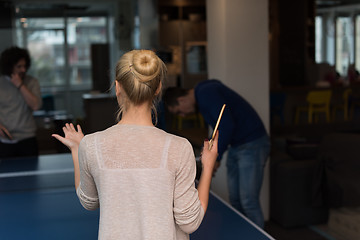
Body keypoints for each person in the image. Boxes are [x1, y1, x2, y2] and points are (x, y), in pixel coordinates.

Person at [52, 50, 218, 240]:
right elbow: (190, 222)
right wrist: (208, 166)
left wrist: (77, 149)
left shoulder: (91, 145)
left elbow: (88, 201)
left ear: (117, 87)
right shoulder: (179, 147)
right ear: (158, 88)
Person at [163, 79, 270, 228]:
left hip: (252, 144)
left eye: (179, 111)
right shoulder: (203, 94)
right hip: (237, 144)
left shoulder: (206, 93)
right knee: (236, 200)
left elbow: (226, 125)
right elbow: (220, 129)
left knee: (248, 201)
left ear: (181, 100)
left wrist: (216, 158)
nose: (182, 115)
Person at [0, 46, 42, 158]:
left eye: (24, 66)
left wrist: (20, 85)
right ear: (9, 67)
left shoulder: (32, 82)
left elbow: (36, 106)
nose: (23, 70)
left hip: (27, 138)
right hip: (5, 141)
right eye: (19, 66)